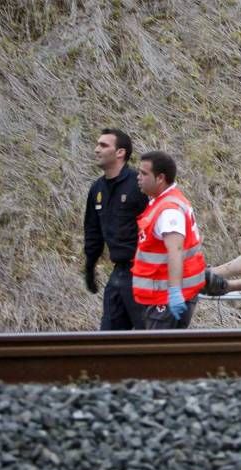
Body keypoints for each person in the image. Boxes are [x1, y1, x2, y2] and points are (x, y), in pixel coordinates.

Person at [131, 151, 206, 329]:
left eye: (144, 173)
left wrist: (174, 292)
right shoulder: (164, 202)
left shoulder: (168, 209)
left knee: (159, 354)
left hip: (164, 299)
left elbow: (176, 251)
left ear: (160, 178)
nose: (138, 177)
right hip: (164, 296)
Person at [83, 128, 148, 330]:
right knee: (109, 339)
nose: (96, 150)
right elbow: (93, 231)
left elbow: (154, 227)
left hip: (142, 273)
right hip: (118, 273)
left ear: (120, 152)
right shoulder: (97, 189)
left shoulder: (138, 185)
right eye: (97, 144)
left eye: (103, 145)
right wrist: (90, 266)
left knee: (149, 337)